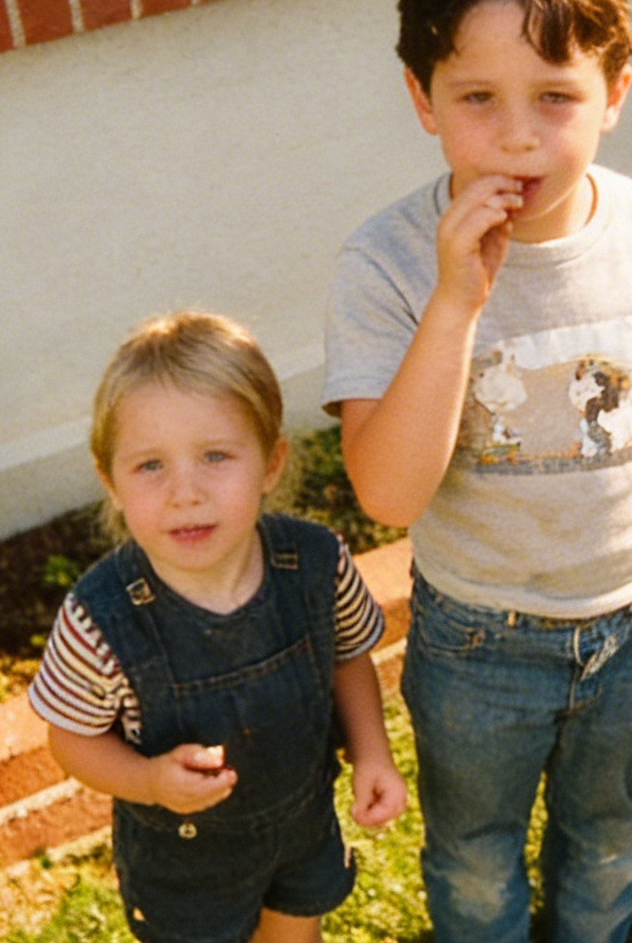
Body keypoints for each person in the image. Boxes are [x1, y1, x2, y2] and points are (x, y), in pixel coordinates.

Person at [320, 0, 632, 943]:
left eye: (556, 96)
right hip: (477, 638)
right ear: (422, 99)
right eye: (478, 97)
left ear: (615, 94)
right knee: (475, 858)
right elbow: (388, 494)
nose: (519, 134)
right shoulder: (388, 264)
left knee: (610, 837)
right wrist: (456, 303)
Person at [29, 311, 407, 943]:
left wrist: (372, 751)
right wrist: (148, 781)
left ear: (271, 462)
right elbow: (71, 737)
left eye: (215, 456)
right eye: (150, 466)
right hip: (184, 868)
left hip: (302, 825)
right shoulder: (100, 619)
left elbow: (346, 657)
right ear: (110, 481)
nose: (186, 492)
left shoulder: (317, 565)